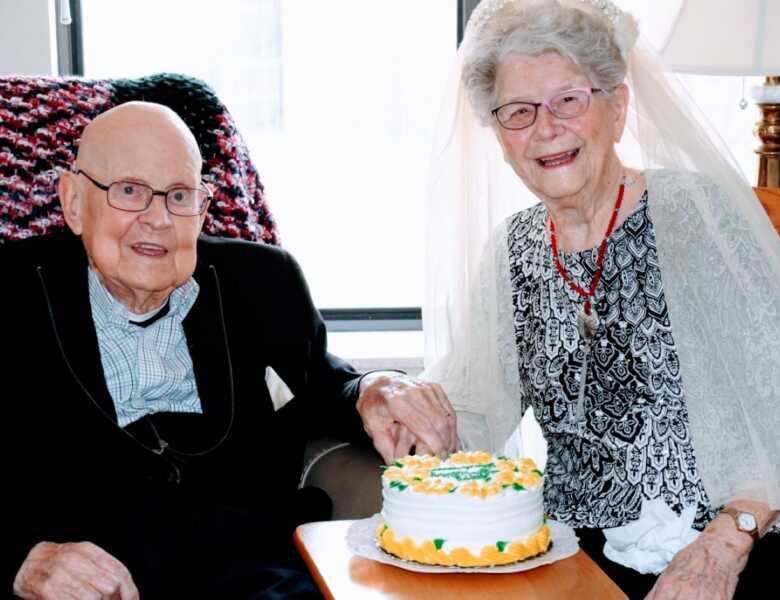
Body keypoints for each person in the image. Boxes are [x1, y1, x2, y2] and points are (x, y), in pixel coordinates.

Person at [423, 0, 780, 598]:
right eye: (519, 112)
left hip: (753, 526)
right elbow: (474, 411)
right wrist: (411, 410)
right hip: (584, 533)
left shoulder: (697, 215)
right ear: (500, 138)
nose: (545, 129)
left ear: (617, 108)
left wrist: (726, 543)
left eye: (569, 100)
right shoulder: (513, 250)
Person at [2, 101, 456, 599]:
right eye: (129, 191)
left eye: (179, 195)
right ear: (72, 201)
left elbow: (328, 388)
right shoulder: (11, 295)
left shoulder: (264, 282)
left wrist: (377, 386)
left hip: (257, 577)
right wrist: (21, 559)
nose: (157, 219)